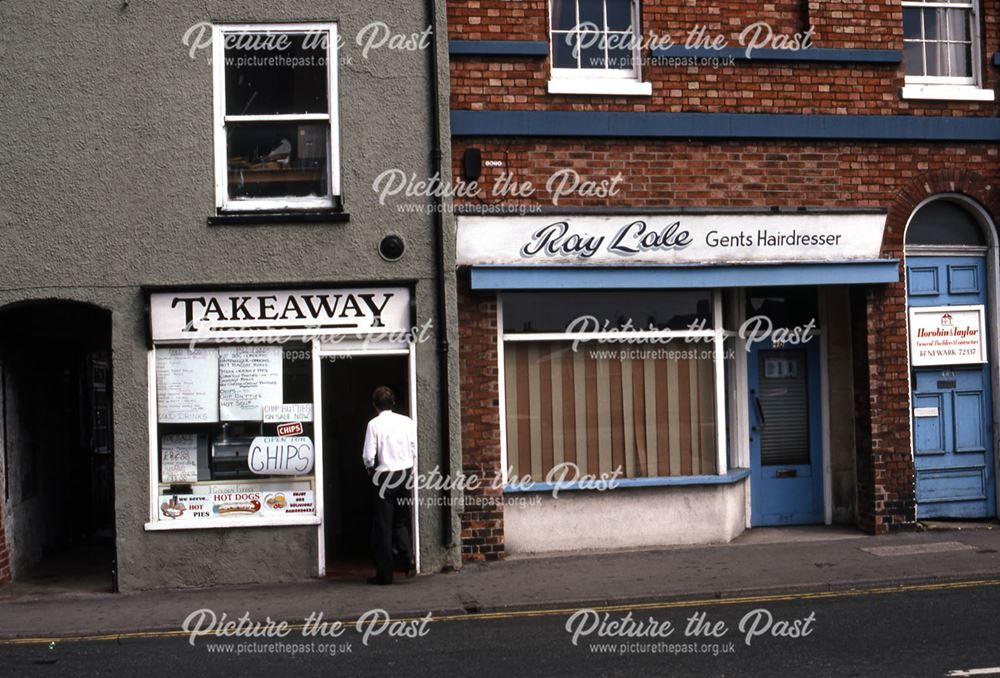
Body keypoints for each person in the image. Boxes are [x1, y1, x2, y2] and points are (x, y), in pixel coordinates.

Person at [362, 385, 417, 585]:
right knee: (400, 521)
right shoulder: (407, 422)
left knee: (383, 526)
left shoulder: (374, 424)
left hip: (384, 477)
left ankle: (385, 575)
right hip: (405, 474)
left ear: (375, 405)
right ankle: (408, 559)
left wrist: (369, 469)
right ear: (393, 402)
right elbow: (413, 450)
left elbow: (369, 456)